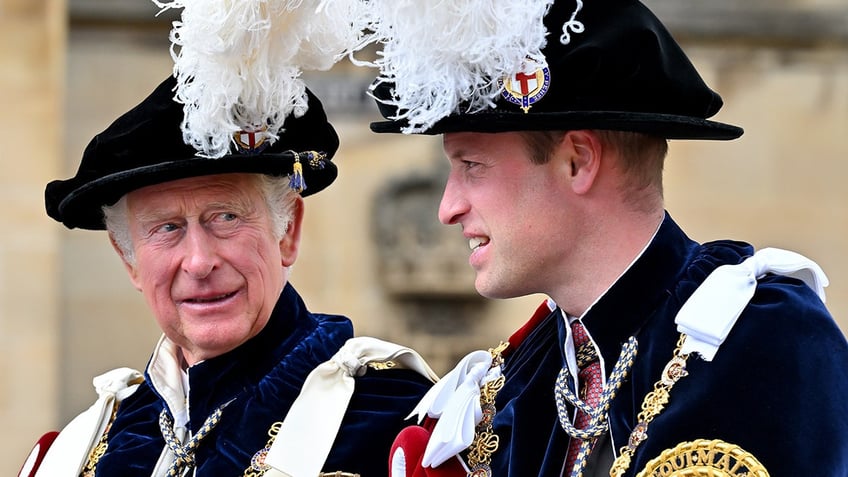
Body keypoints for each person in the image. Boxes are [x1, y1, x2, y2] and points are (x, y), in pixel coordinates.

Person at [355, 0, 848, 476]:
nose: (448, 208)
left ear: (578, 162)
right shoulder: (521, 384)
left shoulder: (761, 342)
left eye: (472, 167)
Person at [18, 72, 438, 477]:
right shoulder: (85, 446)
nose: (199, 262)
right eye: (167, 228)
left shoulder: (393, 417)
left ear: (287, 231)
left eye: (226, 217)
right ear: (129, 259)